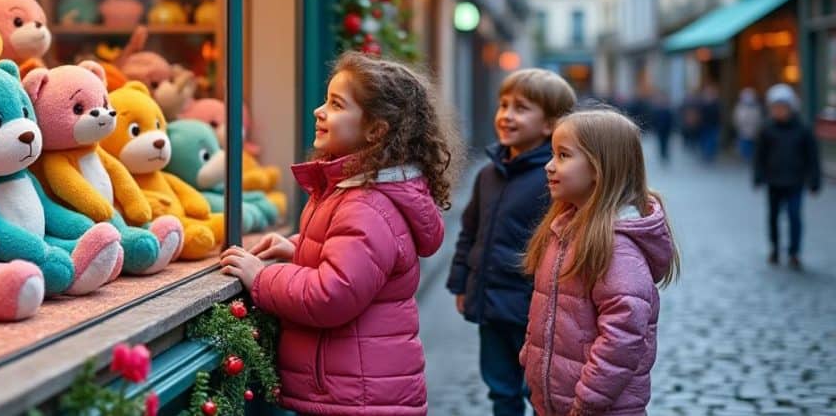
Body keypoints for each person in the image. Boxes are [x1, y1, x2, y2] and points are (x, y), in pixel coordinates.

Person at [218, 51, 462, 415]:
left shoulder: (365, 204)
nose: (319, 110)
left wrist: (263, 278)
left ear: (375, 130)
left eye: (335, 104)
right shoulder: (354, 190)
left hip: (357, 398)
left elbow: (333, 294)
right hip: (356, 391)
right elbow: (349, 252)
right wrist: (297, 248)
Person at [520, 109, 680, 416]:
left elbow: (621, 338)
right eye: (553, 154)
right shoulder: (564, 228)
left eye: (564, 156)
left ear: (599, 167)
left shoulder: (616, 247)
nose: (549, 166)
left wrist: (588, 400)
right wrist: (531, 357)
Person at [446, 68, 576, 416]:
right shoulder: (488, 174)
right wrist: (462, 283)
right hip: (490, 304)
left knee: (539, 390)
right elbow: (470, 231)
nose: (506, 115)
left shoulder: (553, 179)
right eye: (503, 105)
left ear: (549, 124)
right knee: (500, 387)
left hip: (532, 310)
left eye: (520, 108)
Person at [753, 84, 821, 270]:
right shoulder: (767, 129)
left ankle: (794, 252)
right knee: (773, 217)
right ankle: (775, 248)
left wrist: (814, 180)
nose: (779, 111)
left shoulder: (802, 129)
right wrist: (758, 176)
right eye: (776, 107)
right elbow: (760, 155)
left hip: (795, 180)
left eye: (782, 107)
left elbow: (812, 156)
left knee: (794, 216)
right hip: (774, 180)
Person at [733, 87, 763, 162]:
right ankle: (745, 156)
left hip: (752, 130)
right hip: (743, 129)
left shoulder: (756, 107)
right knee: (744, 144)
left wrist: (756, 127)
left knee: (751, 144)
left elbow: (758, 119)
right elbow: (737, 117)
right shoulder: (740, 106)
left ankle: (749, 157)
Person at [649, 91, 675, 164]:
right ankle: (662, 154)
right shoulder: (657, 110)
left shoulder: (669, 110)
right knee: (660, 142)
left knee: (666, 142)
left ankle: (665, 154)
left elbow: (672, 120)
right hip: (659, 129)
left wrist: (672, 129)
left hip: (667, 130)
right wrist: (653, 128)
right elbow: (654, 120)